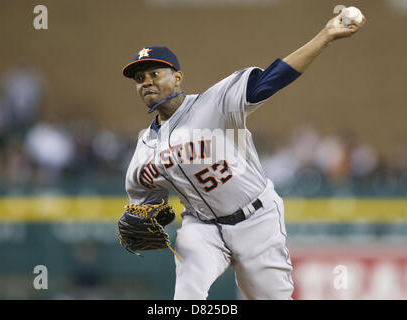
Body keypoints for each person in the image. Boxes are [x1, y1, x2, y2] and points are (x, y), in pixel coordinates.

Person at [121, 13, 366, 299]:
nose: (147, 82)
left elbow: (272, 79)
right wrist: (146, 214)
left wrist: (325, 36)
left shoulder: (215, 103)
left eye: (155, 74)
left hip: (256, 220)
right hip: (201, 228)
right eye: (140, 78)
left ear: (177, 78)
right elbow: (144, 201)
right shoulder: (144, 149)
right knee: (187, 294)